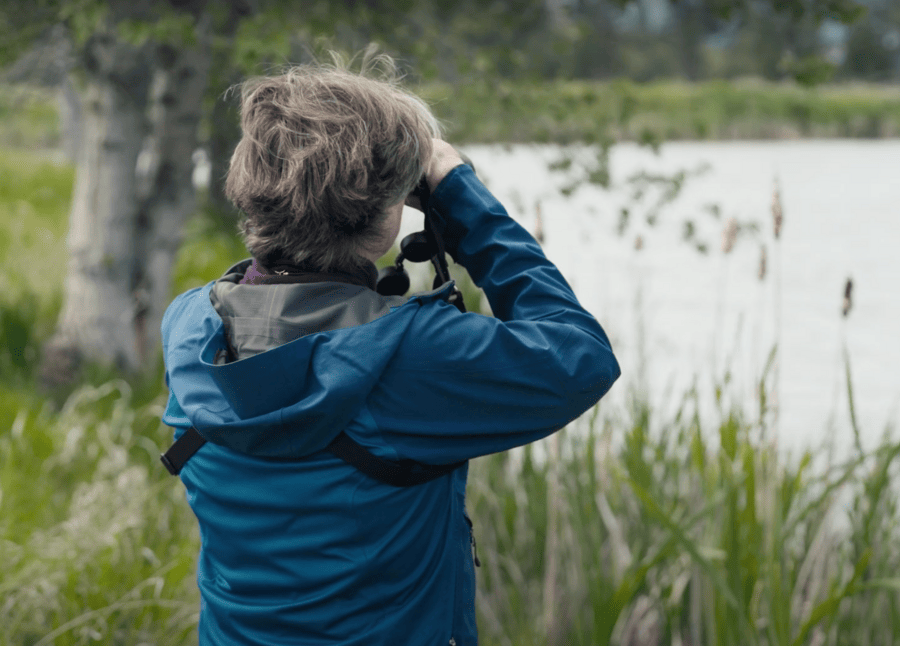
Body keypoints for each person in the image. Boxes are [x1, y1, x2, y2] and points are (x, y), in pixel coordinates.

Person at [158, 53, 620, 646]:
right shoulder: (410, 356)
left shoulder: (192, 327)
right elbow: (581, 354)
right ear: (384, 219)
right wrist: (462, 198)